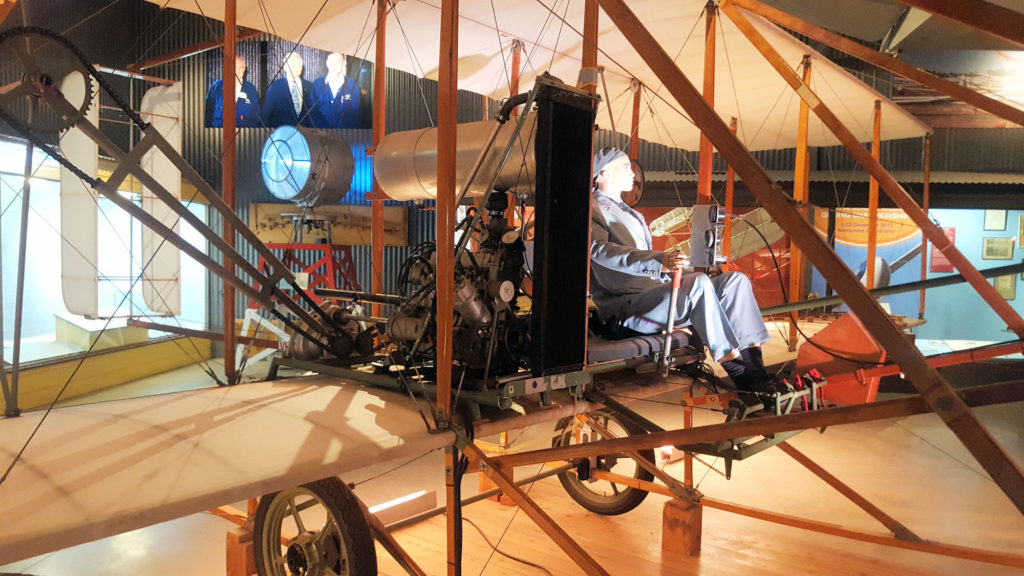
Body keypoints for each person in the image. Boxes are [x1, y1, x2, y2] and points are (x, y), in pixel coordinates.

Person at [589, 147, 778, 395]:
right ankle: (738, 371)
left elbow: (653, 268)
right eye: (625, 167)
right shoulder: (592, 209)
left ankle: (755, 369)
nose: (633, 173)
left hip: (653, 298)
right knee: (698, 283)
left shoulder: (631, 213)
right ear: (603, 173)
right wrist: (659, 261)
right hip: (625, 309)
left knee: (735, 281)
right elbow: (598, 250)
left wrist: (679, 268)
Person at [204, 55, 261, 128]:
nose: (239, 71)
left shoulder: (251, 89)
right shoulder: (216, 87)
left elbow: (256, 118)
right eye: (235, 67)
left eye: (241, 67)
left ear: (244, 68)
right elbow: (207, 112)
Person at [310, 52, 362, 129]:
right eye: (332, 61)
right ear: (327, 63)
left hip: (345, 135)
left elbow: (355, 114)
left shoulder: (353, 85)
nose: (335, 65)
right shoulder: (317, 84)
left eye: (338, 61)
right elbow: (312, 112)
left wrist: (341, 132)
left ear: (344, 63)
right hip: (320, 135)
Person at [263, 52, 313, 127]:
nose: (295, 68)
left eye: (298, 65)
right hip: (282, 134)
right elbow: (266, 114)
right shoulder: (275, 86)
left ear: (302, 67)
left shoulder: (310, 87)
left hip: (305, 135)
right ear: (285, 67)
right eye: (292, 64)